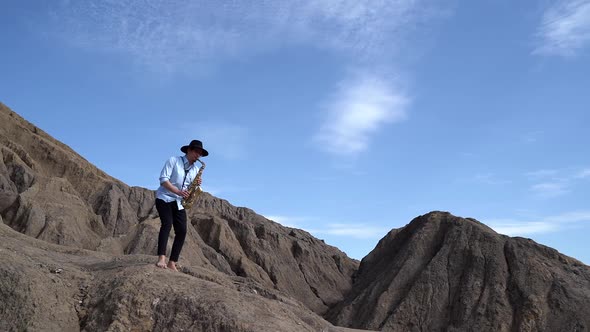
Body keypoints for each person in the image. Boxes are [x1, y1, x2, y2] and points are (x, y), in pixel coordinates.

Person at [154, 139, 209, 271]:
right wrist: (177, 191)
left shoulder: (195, 169)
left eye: (200, 153)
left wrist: (196, 185)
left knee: (182, 231)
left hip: (179, 202)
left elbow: (190, 188)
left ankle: (172, 262)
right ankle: (161, 258)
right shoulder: (173, 161)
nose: (198, 155)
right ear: (189, 150)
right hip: (165, 198)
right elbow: (163, 180)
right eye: (196, 152)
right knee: (167, 224)